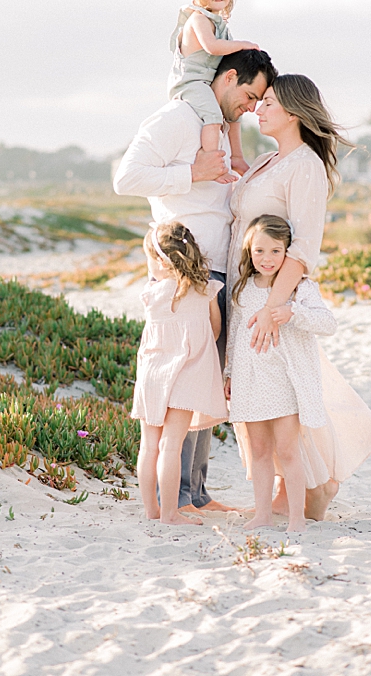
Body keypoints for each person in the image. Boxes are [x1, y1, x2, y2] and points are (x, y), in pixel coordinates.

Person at [114, 48, 278, 515]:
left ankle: (196, 494)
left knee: (203, 380)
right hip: (186, 268)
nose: (250, 108)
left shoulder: (220, 128)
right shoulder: (175, 119)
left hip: (220, 265)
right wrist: (191, 173)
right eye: (248, 96)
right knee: (184, 380)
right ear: (227, 79)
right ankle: (179, 496)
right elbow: (126, 178)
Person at [225, 74, 371, 522]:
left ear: (295, 113)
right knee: (264, 397)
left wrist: (273, 309)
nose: (260, 107)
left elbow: (302, 248)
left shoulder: (305, 166)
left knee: (286, 394)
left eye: (270, 102)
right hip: (248, 294)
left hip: (271, 299)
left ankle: (315, 487)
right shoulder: (266, 160)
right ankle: (290, 489)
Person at [225, 214, 335, 533]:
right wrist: (229, 373)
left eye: (276, 251)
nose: (267, 259)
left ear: (288, 252)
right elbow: (235, 333)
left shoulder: (300, 288)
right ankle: (262, 514)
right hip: (250, 379)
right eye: (259, 251)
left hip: (284, 381)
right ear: (249, 251)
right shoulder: (244, 288)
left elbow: (328, 324)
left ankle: (297, 518)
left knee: (287, 450)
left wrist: (293, 313)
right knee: (259, 451)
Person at [132, 222, 227, 526]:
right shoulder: (206, 290)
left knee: (149, 445)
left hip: (152, 374)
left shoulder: (151, 294)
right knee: (171, 445)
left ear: (161, 262)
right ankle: (171, 513)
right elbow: (214, 331)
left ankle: (152, 511)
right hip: (187, 375)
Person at [169, 0, 260, 180]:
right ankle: (211, 163)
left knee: (233, 115)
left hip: (207, 82)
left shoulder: (221, 25)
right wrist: (242, 44)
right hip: (191, 83)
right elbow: (212, 47)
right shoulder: (198, 19)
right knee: (213, 117)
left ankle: (236, 156)